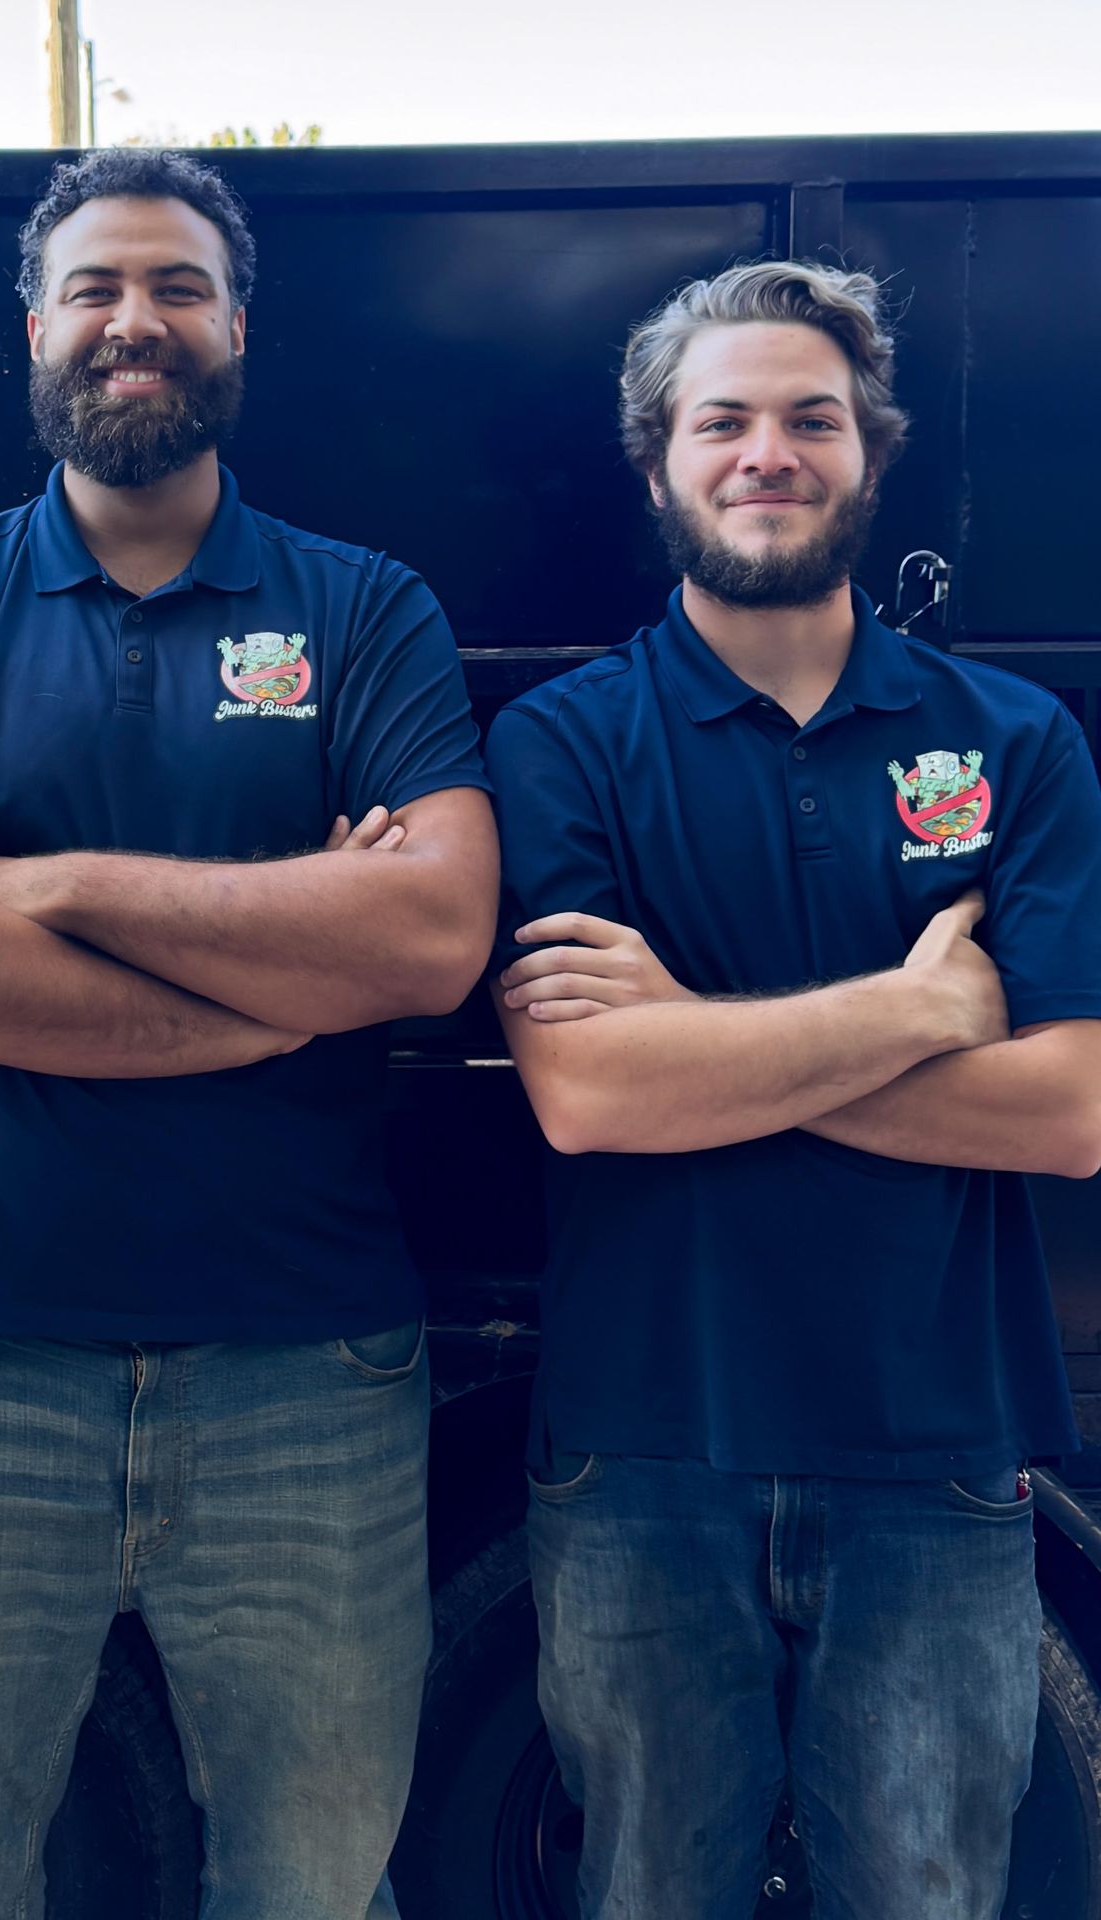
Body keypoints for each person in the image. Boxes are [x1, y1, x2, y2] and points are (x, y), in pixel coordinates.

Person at [0, 148, 498, 1919]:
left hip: (306, 1369)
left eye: (178, 287)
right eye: (99, 288)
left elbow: (428, 938)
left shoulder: (365, 607)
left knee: (318, 1879)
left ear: (236, 326)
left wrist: (43, 888)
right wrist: (272, 989)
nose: (138, 321)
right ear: (34, 326)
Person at [485, 258, 1101, 1920]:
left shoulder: (1015, 740)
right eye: (724, 420)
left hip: (940, 1449)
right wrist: (916, 1014)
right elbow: (589, 1094)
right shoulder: (563, 740)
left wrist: (699, 1032)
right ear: (659, 460)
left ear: (869, 452)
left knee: (931, 1898)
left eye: (810, 418)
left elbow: (1064, 1111)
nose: (770, 452)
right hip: (642, 1447)